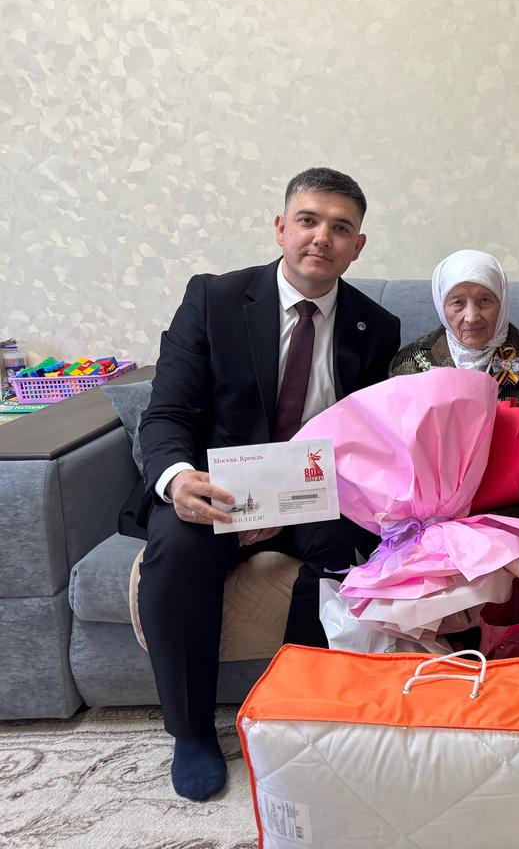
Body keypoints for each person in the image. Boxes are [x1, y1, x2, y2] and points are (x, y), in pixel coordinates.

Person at [126, 168, 401, 802]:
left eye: (340, 228)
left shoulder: (375, 326)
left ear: (357, 246)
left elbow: (370, 439)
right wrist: (176, 480)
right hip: (217, 491)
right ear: (281, 228)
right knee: (176, 550)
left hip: (315, 495)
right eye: (308, 220)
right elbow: (167, 413)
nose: (321, 237)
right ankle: (192, 731)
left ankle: (304, 703)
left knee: (368, 548)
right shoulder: (213, 299)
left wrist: (294, 505)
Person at [389, 249, 519, 512]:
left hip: (515, 504)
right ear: (441, 304)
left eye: (484, 300)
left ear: (502, 301)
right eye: (457, 303)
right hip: (433, 508)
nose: (472, 316)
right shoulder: (411, 362)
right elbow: (397, 450)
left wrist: (508, 487)